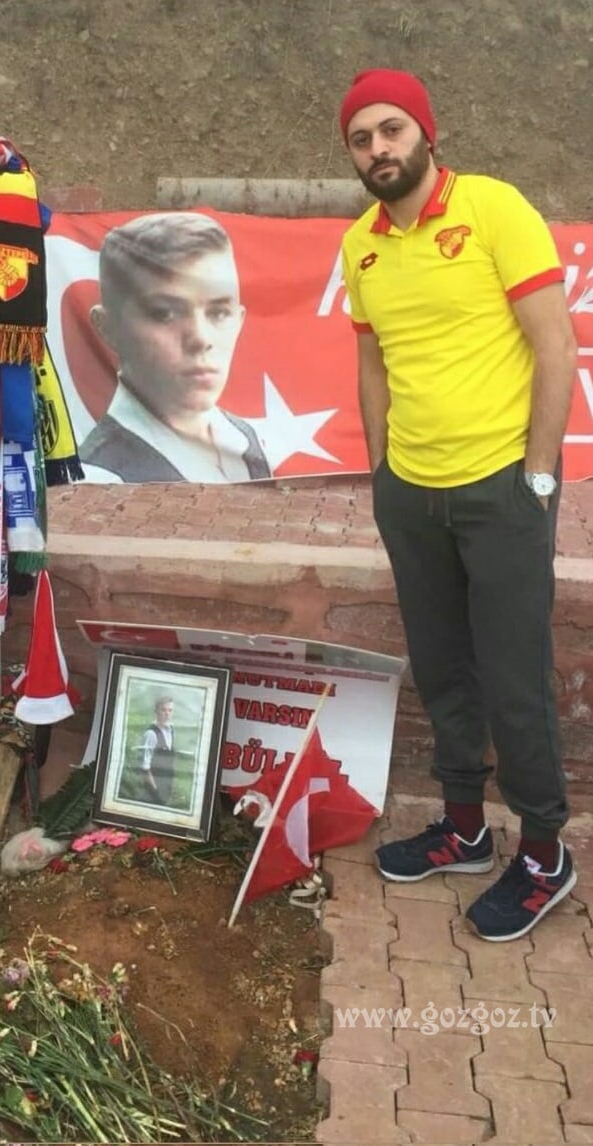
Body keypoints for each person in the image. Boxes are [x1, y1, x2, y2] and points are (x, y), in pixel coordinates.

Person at [339, 69, 578, 941]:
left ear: (426, 133)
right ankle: (466, 830)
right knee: (443, 671)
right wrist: (383, 474)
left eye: (392, 129)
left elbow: (555, 344)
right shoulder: (360, 245)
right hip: (412, 493)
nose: (379, 149)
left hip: (502, 489)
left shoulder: (493, 208)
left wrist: (538, 475)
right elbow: (373, 365)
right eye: (361, 139)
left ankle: (544, 853)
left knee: (514, 679)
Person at [79, 211, 272, 482]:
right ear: (108, 328)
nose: (201, 338)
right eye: (164, 314)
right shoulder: (99, 477)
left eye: (219, 313)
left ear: (239, 320)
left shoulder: (247, 439)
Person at [138, 695, 179, 805]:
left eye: (170, 710)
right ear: (156, 711)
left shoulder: (170, 730)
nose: (167, 713)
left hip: (165, 790)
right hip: (152, 793)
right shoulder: (151, 734)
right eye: (163, 710)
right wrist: (156, 793)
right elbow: (145, 768)